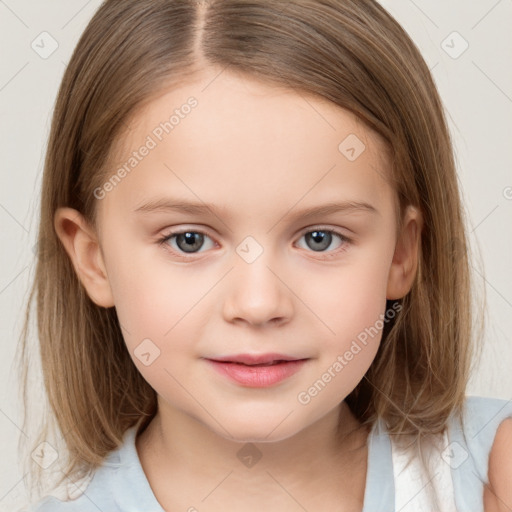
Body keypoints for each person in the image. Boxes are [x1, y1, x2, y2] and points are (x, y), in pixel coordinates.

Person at [17, 0, 512, 511]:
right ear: (93, 259)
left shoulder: (489, 475)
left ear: (400, 254)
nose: (258, 304)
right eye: (189, 240)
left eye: (320, 238)